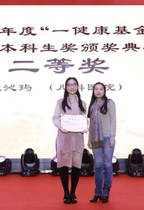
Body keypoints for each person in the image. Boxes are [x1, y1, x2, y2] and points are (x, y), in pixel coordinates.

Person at [53, 77, 88, 205]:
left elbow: (84, 120)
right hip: (64, 137)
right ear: (66, 87)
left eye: (74, 85)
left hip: (77, 138)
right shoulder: (60, 102)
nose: (72, 87)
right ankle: (66, 193)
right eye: (69, 85)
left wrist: (86, 127)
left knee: (76, 166)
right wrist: (60, 126)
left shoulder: (83, 103)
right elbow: (55, 118)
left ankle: (73, 192)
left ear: (78, 87)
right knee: (63, 166)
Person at [88, 83, 117, 204]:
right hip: (95, 138)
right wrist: (89, 140)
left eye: (101, 89)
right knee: (98, 165)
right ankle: (97, 192)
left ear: (104, 90)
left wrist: (112, 138)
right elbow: (91, 124)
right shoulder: (92, 105)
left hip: (107, 138)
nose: (98, 91)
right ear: (93, 91)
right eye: (96, 89)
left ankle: (106, 192)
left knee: (107, 165)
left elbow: (113, 121)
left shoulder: (109, 103)